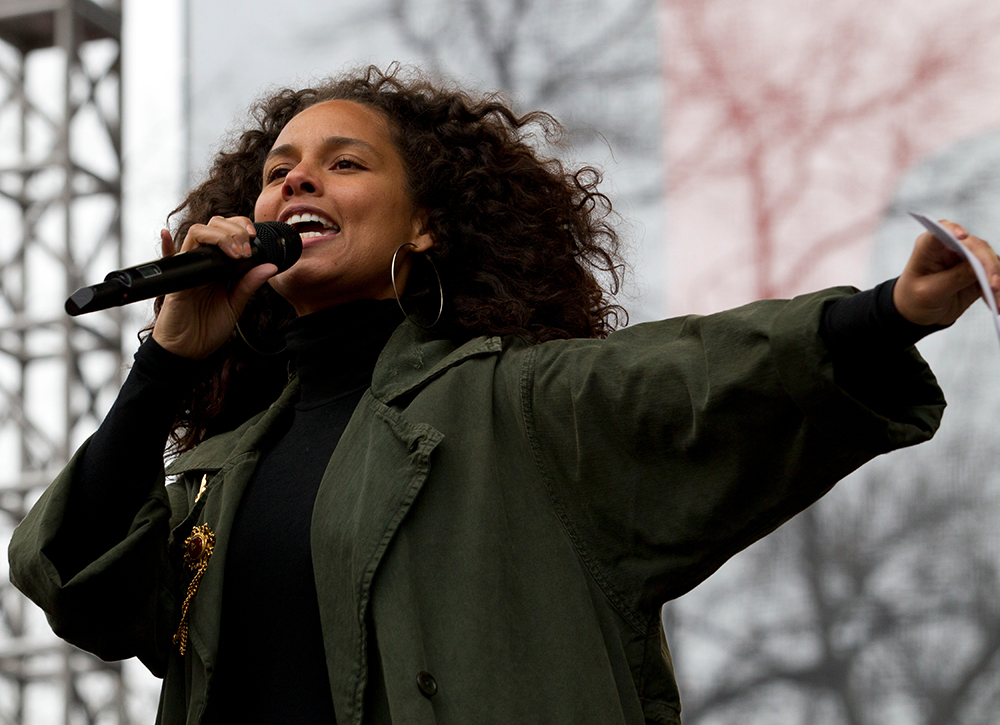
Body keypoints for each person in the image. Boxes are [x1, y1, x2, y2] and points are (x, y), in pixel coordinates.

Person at [8, 64, 999, 725]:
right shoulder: (220, 469)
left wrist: (890, 313)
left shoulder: (517, 404)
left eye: (342, 163)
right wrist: (166, 364)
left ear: (428, 224)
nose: (295, 183)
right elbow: (78, 579)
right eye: (277, 173)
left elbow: (703, 376)